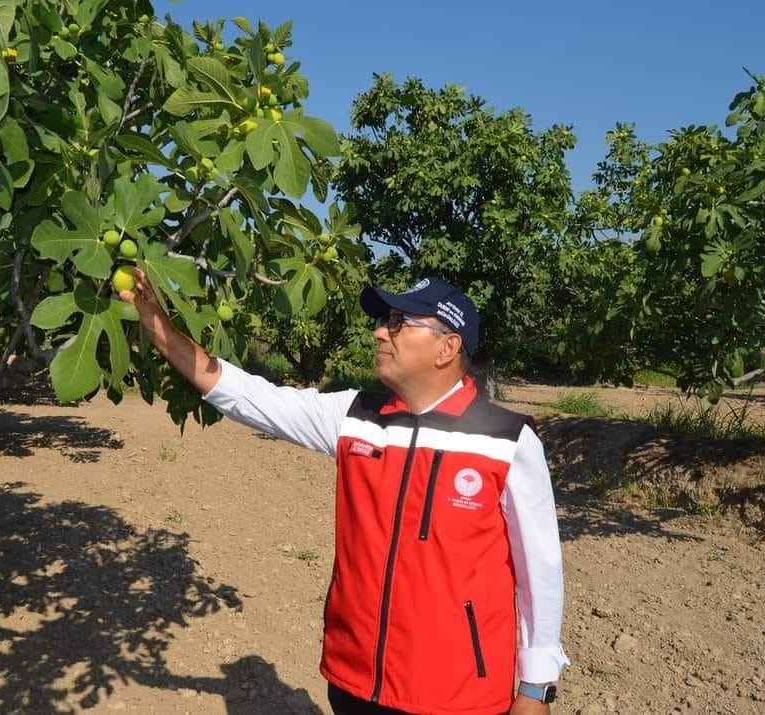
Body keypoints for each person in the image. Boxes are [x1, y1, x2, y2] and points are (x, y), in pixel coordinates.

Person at [119, 271, 569, 715]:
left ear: (447, 347)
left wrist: (535, 688)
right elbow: (245, 394)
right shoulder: (354, 416)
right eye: (383, 320)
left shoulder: (506, 440)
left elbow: (540, 571)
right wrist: (158, 325)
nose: (378, 332)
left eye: (397, 322)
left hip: (454, 694)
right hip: (355, 682)